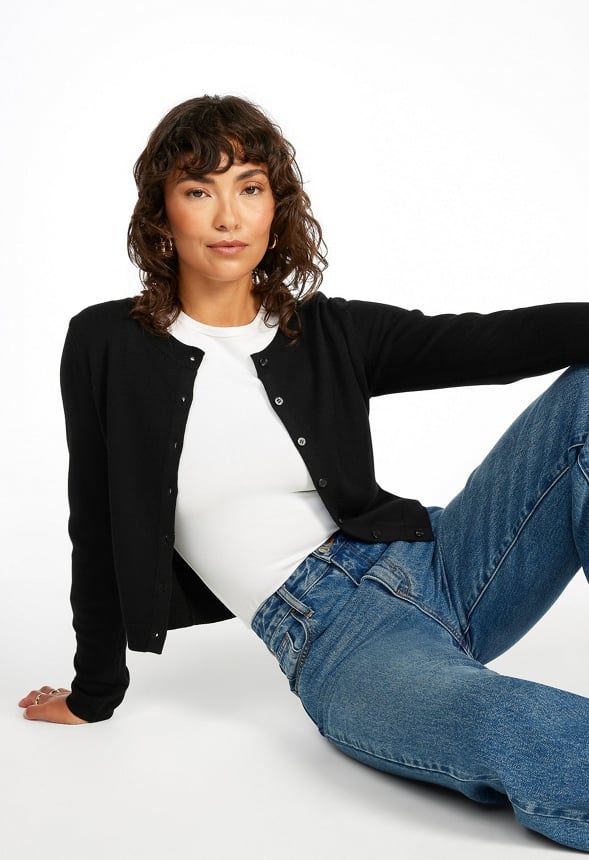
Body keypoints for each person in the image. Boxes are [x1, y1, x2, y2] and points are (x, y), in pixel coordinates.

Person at [18, 94, 589, 851]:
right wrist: (94, 692)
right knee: (510, 726)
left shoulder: (324, 331)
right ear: (161, 214)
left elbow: (492, 342)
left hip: (446, 558)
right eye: (199, 190)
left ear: (274, 207)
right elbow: (95, 520)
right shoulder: (106, 344)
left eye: (249, 188)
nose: (228, 216)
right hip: (338, 640)